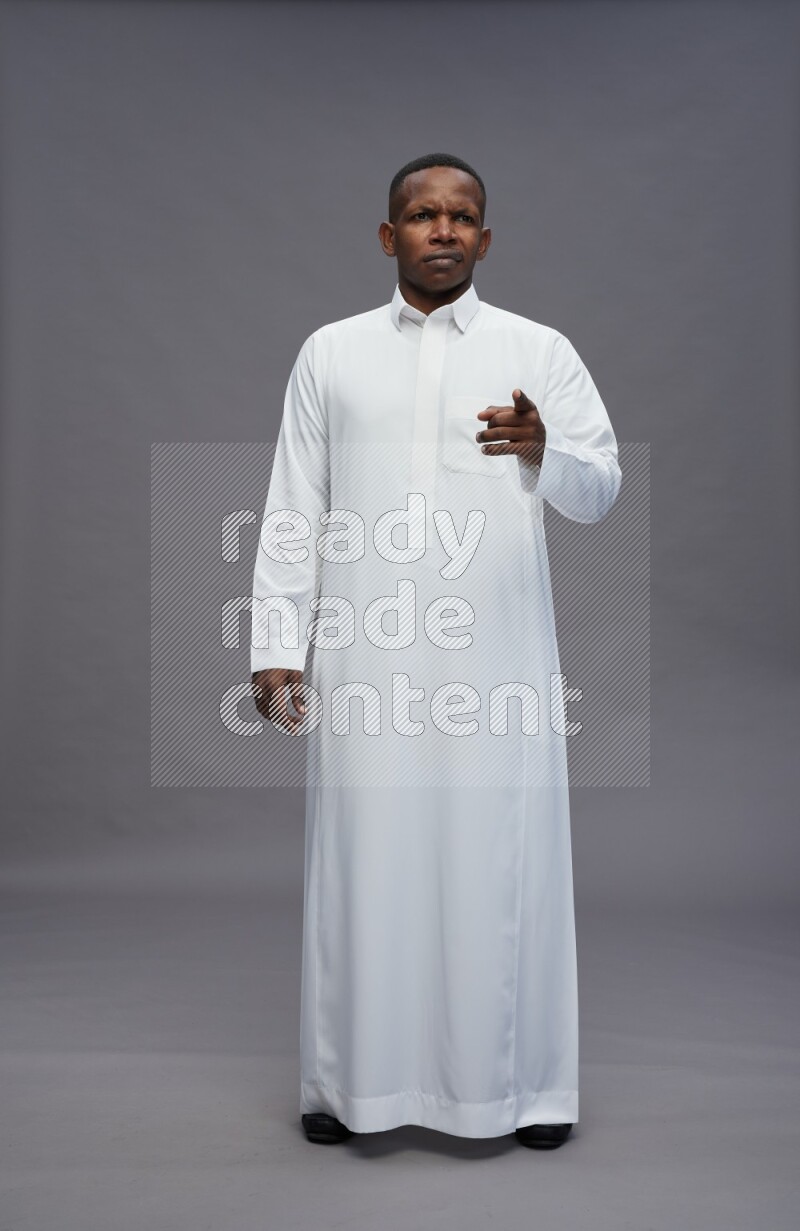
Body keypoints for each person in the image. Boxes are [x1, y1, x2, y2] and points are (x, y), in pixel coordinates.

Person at [250, 153, 621, 1149]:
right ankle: (345, 1086)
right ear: (388, 237)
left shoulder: (536, 349)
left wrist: (546, 449)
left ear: (485, 239)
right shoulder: (329, 352)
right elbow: (294, 507)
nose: (443, 229)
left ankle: (529, 1090)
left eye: (462, 216)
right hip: (364, 654)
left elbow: (599, 490)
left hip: (493, 661)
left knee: (502, 863)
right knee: (363, 861)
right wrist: (278, 644)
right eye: (422, 214)